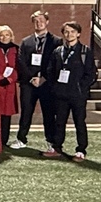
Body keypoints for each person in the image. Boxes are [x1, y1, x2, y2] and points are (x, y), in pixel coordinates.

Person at [46, 21, 97, 161]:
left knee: (79, 122)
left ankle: (81, 150)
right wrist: (54, 87)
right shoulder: (58, 51)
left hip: (78, 95)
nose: (69, 34)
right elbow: (50, 71)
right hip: (60, 94)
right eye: (67, 32)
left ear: (78, 34)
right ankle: (56, 147)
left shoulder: (85, 51)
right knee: (59, 122)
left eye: (73, 31)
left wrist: (81, 87)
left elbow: (91, 73)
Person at [13, 11, 61, 151]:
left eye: (41, 20)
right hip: (28, 83)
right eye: (36, 21)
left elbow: (56, 63)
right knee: (26, 112)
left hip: (47, 83)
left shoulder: (56, 41)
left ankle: (50, 141)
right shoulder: (26, 41)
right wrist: (31, 78)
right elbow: (21, 62)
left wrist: (44, 78)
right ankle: (21, 139)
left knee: (48, 113)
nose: (39, 23)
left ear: (47, 22)